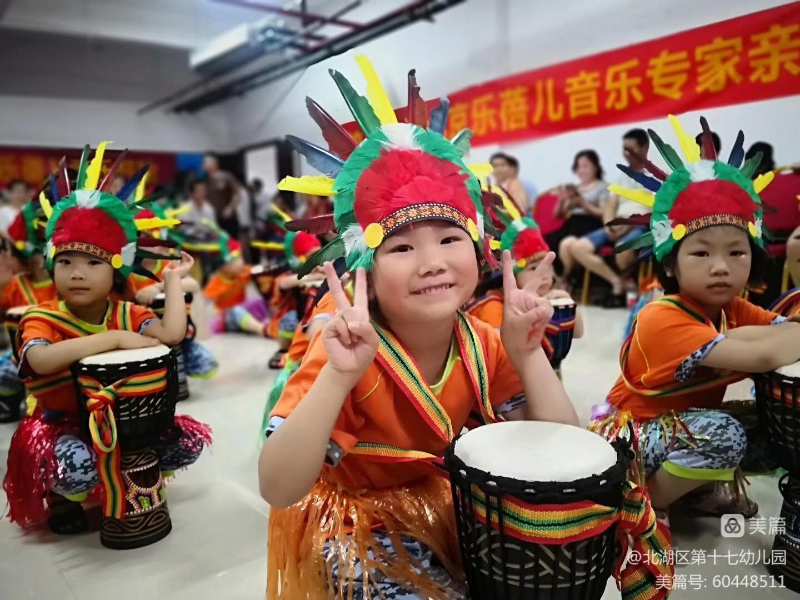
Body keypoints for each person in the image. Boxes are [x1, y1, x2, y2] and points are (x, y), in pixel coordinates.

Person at [258, 57, 585, 600]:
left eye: (450, 239)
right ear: (364, 267)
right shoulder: (345, 349)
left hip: (445, 497)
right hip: (360, 519)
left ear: (479, 251)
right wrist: (337, 380)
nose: (431, 262)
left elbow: (562, 448)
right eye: (403, 247)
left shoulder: (483, 339)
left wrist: (530, 358)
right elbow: (278, 486)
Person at [589, 116, 800, 522]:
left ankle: (693, 488)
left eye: (736, 253)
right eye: (701, 253)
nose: (720, 267)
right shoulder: (660, 315)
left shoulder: (732, 308)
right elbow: (763, 353)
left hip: (674, 427)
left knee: (772, 423)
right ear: (671, 265)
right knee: (724, 432)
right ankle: (645, 502)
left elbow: (779, 331)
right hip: (627, 435)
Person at [3, 145, 211, 533]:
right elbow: (42, 361)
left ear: (115, 273)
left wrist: (170, 282)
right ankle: (64, 496)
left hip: (121, 420)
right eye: (65, 262)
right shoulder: (42, 316)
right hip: (62, 423)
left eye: (92, 262)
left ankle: (125, 492)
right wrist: (114, 340)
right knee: (71, 467)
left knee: (182, 444)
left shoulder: (126, 312)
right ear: (51, 265)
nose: (77, 273)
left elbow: (170, 334)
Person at [466, 192, 584, 378]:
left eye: (548, 266)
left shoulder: (552, 297)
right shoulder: (493, 305)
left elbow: (577, 334)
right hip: (508, 385)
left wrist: (569, 304)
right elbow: (500, 356)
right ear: (511, 275)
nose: (543, 275)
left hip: (543, 377)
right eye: (534, 268)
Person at [565, 130, 652, 307]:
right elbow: (610, 206)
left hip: (639, 225)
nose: (627, 153)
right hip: (617, 223)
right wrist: (609, 226)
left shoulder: (655, 176)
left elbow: (654, 209)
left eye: (631, 149)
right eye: (624, 149)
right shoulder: (620, 177)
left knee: (622, 249)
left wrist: (627, 226)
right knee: (577, 247)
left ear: (645, 148)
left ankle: (625, 288)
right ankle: (616, 282)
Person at [545, 150, 609, 284]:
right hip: (571, 223)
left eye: (585, 166)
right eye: (578, 167)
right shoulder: (576, 187)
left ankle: (566, 280)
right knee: (547, 240)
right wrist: (561, 200)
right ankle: (556, 279)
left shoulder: (603, 187)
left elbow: (603, 213)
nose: (581, 170)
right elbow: (558, 215)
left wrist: (583, 204)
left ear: (596, 167)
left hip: (590, 224)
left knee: (564, 243)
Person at [203, 153, 242, 239]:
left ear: (214, 164)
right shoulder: (207, 181)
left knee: (232, 244)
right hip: (215, 219)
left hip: (229, 219)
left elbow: (238, 193)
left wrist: (230, 207)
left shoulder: (226, 176)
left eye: (205, 163)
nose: (203, 165)